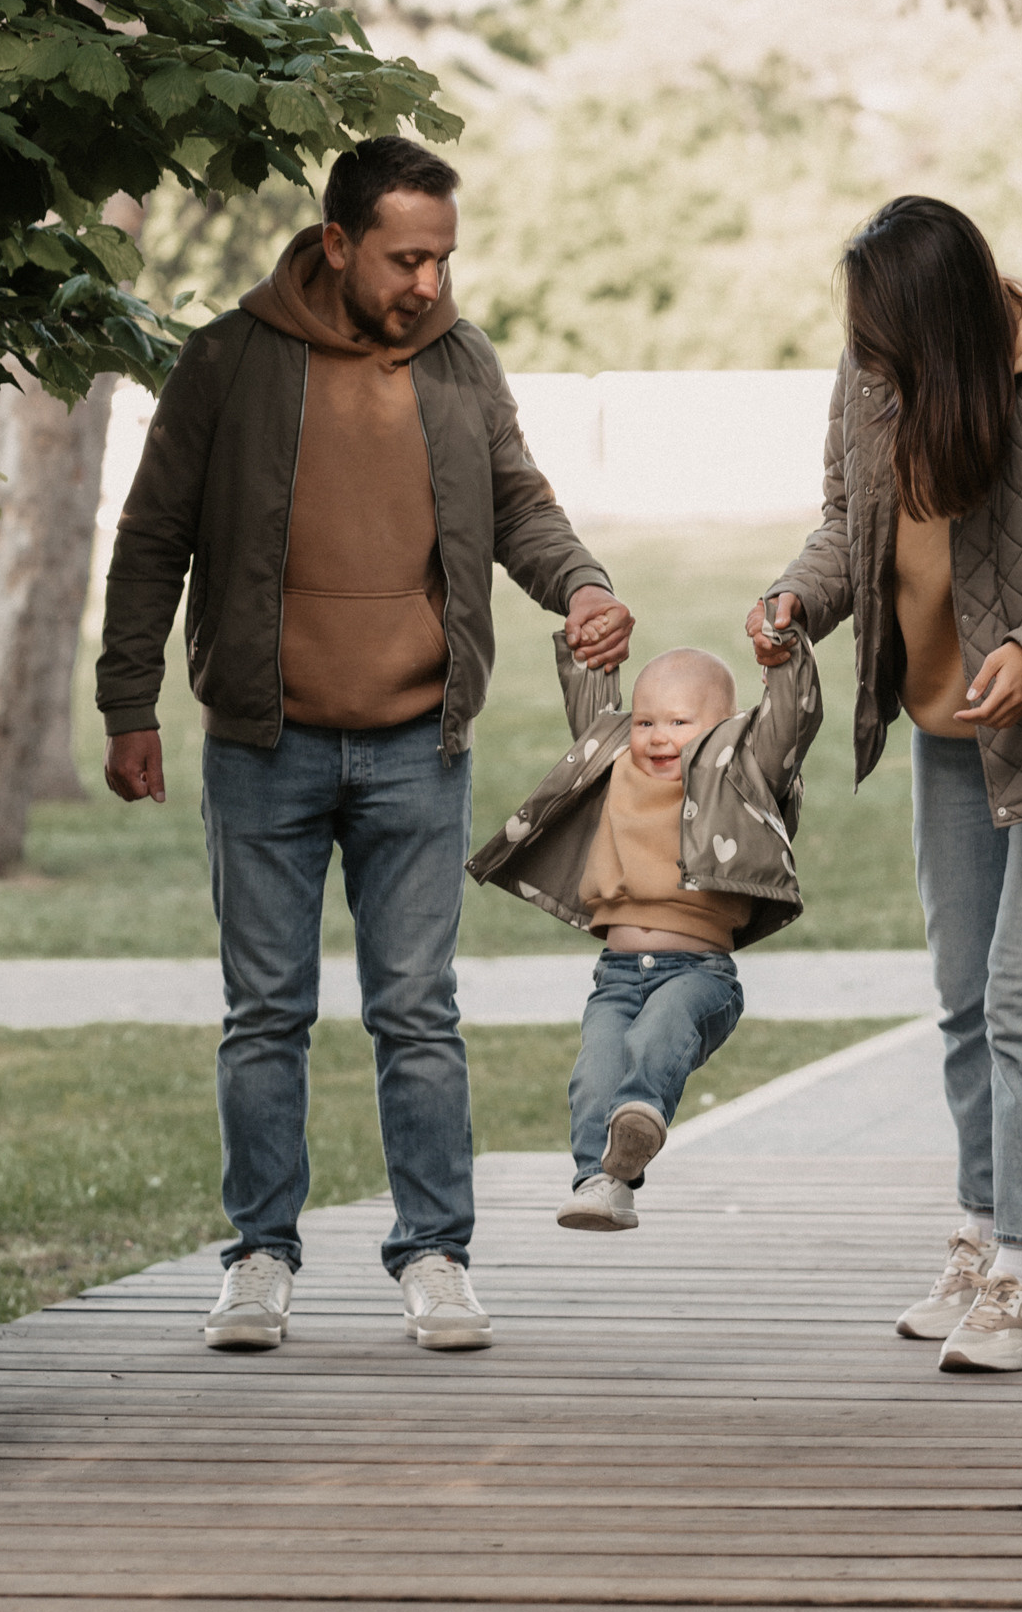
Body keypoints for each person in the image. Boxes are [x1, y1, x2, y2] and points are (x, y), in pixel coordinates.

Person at [96, 135, 633, 1356]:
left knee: (417, 1012)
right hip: (262, 743)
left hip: (415, 743)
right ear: (335, 241)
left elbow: (520, 505)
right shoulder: (231, 360)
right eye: (405, 258)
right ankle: (258, 1257)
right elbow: (151, 535)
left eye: (442, 258)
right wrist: (130, 703)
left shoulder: (458, 362)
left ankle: (436, 1253)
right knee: (265, 1011)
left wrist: (581, 584)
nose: (429, 284)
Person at [747, 196, 1022, 1376]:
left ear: (943, 326)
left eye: (886, 344)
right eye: (863, 345)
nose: (867, 363)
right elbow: (851, 523)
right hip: (951, 731)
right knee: (961, 996)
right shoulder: (874, 374)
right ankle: (986, 1233)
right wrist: (798, 596)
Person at [470, 628, 824, 1230]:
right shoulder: (612, 760)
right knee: (594, 1073)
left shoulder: (738, 769)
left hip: (700, 976)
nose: (658, 737)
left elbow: (789, 722)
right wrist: (590, 643)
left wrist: (785, 657)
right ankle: (600, 1182)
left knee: (655, 1039)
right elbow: (589, 697)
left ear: (726, 726)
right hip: (616, 975)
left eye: (680, 723)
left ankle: (639, 1118)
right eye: (645, 722)